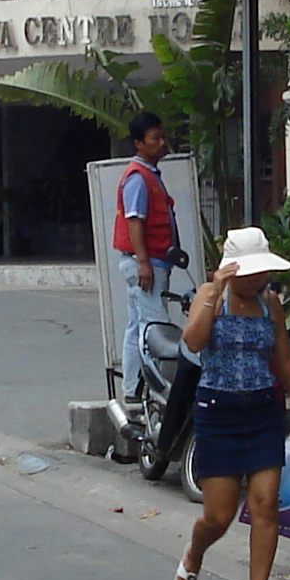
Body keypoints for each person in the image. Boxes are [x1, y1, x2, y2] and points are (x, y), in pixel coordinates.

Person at [172, 226, 290, 580]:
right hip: (219, 411)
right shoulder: (210, 297)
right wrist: (215, 291)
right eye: (250, 274)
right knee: (219, 514)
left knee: (266, 504)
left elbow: (283, 356)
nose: (259, 280)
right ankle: (195, 553)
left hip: (263, 409)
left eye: (261, 273)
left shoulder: (271, 303)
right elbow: (193, 342)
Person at [111, 113, 178, 387]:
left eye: (162, 136)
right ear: (139, 143)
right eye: (155, 138)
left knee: (137, 327)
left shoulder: (148, 174)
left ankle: (132, 389)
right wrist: (143, 263)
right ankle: (158, 390)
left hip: (151, 261)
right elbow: (134, 221)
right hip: (148, 262)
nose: (162, 143)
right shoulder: (138, 178)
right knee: (155, 328)